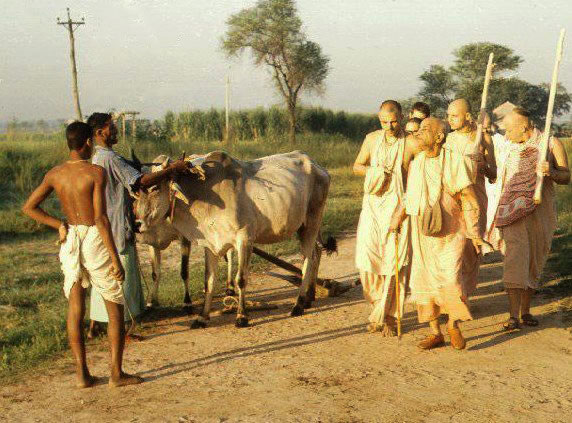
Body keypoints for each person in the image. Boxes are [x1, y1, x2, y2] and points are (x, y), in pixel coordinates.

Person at [22, 121, 142, 388]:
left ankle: (82, 376)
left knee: (75, 308)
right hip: (93, 239)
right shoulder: (95, 172)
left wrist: (59, 224)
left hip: (71, 240)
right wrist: (113, 257)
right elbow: (100, 218)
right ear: (88, 142)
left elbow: (29, 207)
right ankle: (116, 374)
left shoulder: (55, 173)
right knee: (114, 306)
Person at [86, 113, 191, 337]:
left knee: (103, 279)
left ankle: (96, 325)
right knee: (121, 280)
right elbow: (140, 181)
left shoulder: (98, 158)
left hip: (103, 229)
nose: (115, 130)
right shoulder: (111, 159)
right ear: (99, 133)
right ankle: (123, 329)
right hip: (116, 227)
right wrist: (172, 171)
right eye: (111, 126)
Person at [391, 117, 485, 350]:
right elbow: (409, 198)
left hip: (452, 233)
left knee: (451, 280)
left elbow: (470, 199)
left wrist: (474, 233)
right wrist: (397, 219)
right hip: (422, 234)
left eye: (425, 130)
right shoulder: (417, 162)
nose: (418, 133)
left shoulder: (455, 161)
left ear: (439, 137)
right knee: (423, 281)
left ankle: (453, 324)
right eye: (418, 130)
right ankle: (435, 333)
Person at [487, 108, 570, 330]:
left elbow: (566, 176)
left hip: (539, 212)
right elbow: (493, 172)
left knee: (534, 260)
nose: (505, 135)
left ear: (524, 127)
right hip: (511, 213)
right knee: (515, 261)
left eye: (509, 130)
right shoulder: (506, 148)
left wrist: (550, 171)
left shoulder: (550, 144)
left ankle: (525, 312)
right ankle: (513, 316)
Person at [353, 100, 410, 337]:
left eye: (394, 121)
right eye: (384, 122)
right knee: (368, 260)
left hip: (397, 207)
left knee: (393, 263)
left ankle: (387, 315)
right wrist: (375, 172)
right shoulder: (372, 139)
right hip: (373, 206)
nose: (389, 126)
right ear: (379, 120)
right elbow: (357, 165)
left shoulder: (410, 142)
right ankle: (377, 306)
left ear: (402, 117)